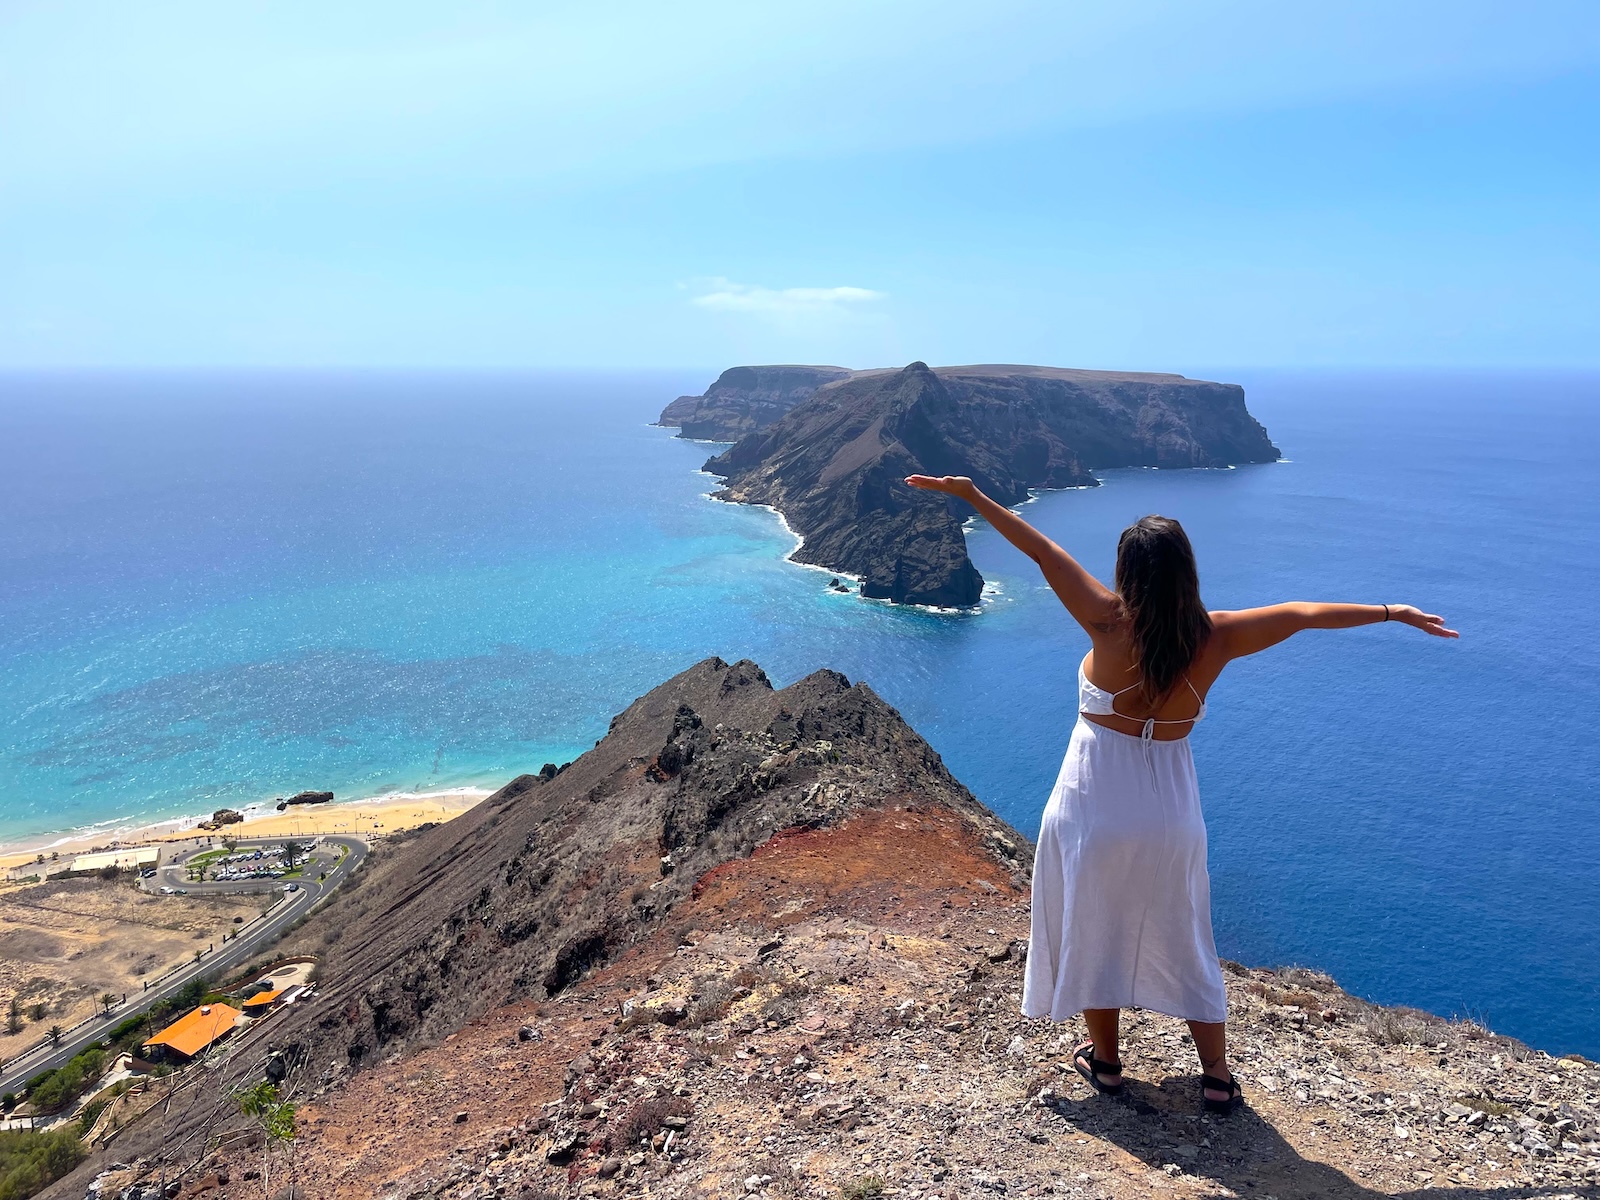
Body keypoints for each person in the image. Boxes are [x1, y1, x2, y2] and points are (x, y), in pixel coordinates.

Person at [906, 473, 1457, 1113]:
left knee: (1094, 922)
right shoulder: (1217, 636)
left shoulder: (1107, 622)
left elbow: (1040, 551)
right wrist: (1394, 613)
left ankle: (1107, 1064)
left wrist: (974, 499)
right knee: (1188, 935)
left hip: (1094, 804)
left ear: (1127, 570)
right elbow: (1305, 616)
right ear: (1187, 570)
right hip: (1171, 813)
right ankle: (1217, 1075)